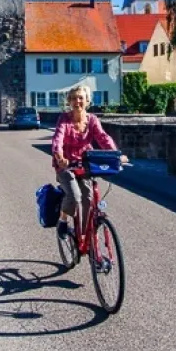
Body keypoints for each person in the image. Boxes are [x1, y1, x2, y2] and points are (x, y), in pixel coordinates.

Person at [51, 85, 128, 239]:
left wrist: (115, 155)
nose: (77, 101)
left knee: (88, 198)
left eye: (80, 98)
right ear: (69, 102)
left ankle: (84, 234)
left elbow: (103, 137)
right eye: (73, 98)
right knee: (74, 195)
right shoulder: (64, 119)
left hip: (86, 164)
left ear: (87, 101)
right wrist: (60, 157)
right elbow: (57, 139)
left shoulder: (92, 120)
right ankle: (63, 221)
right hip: (66, 165)